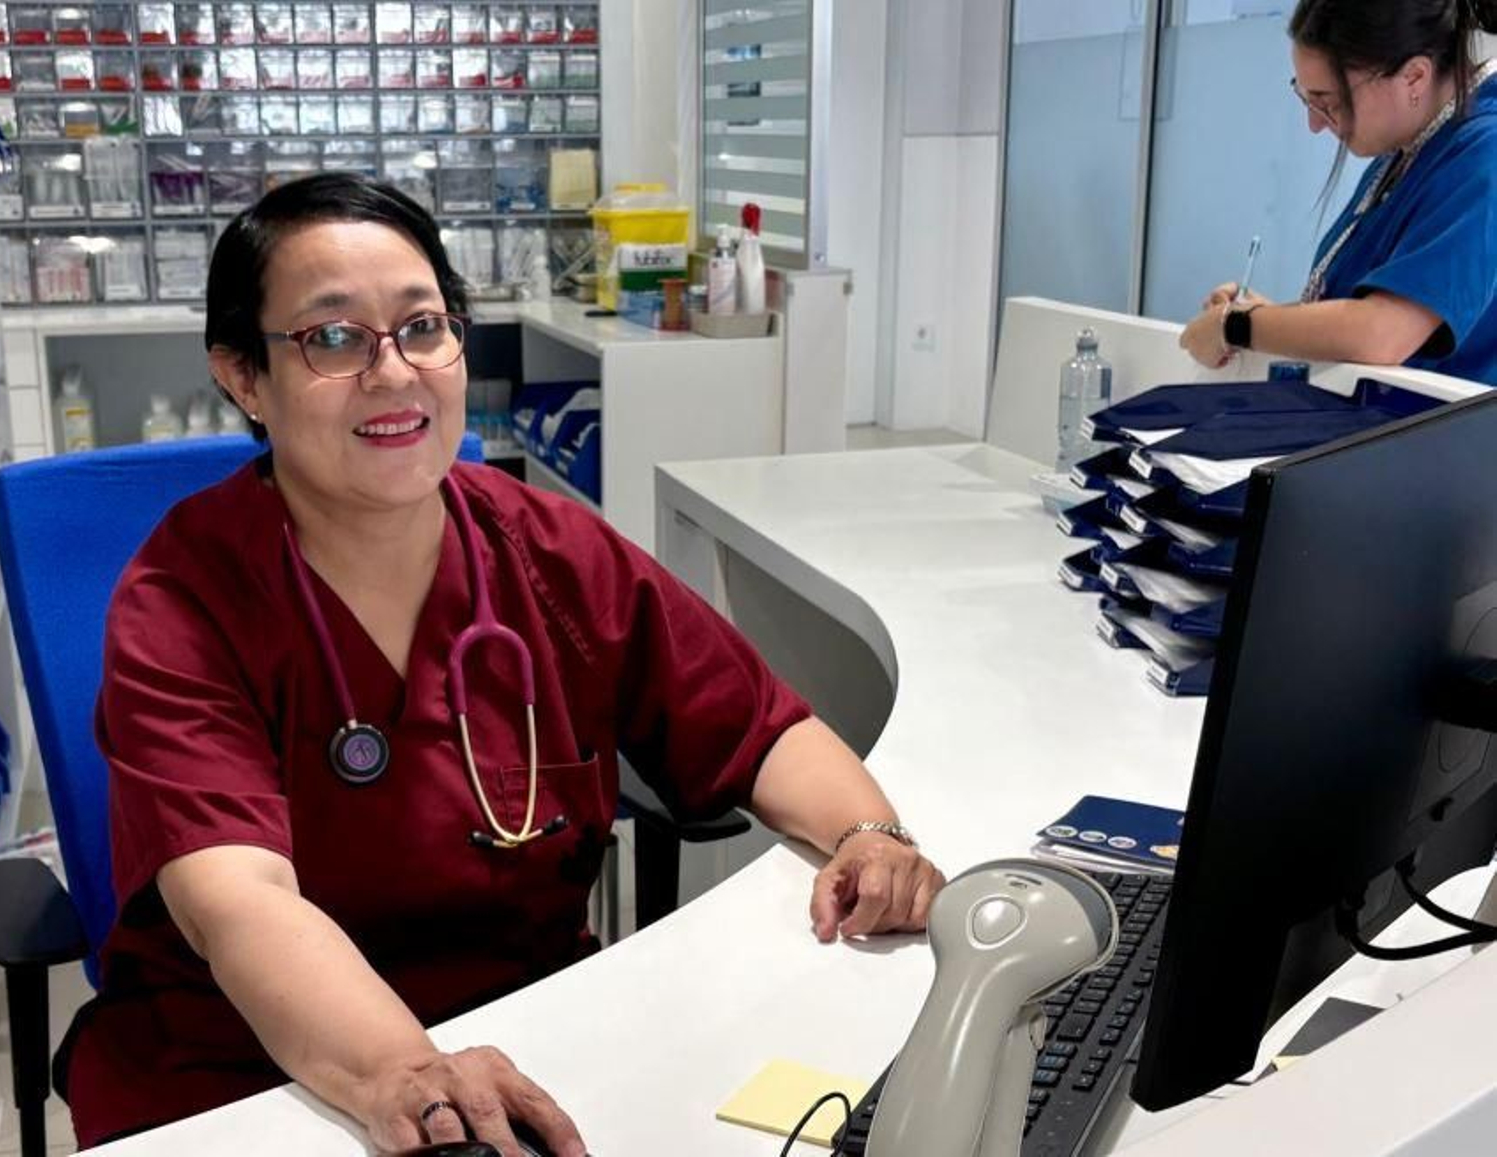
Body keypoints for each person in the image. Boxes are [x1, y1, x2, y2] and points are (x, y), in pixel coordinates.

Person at [55, 173, 945, 1156]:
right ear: (242, 376)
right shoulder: (185, 597)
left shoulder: (548, 548)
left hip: (534, 1031)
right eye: (333, 337)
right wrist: (409, 1072)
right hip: (247, 1072)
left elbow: (754, 724)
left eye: (422, 325)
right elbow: (240, 902)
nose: (393, 372)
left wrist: (867, 831)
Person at [1180, 0, 1497, 386]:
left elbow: (1384, 333)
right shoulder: (1408, 152)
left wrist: (1238, 325)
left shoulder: (1484, 154)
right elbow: (1365, 314)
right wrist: (1271, 318)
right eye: (1307, 98)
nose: (1314, 124)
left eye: (1326, 102)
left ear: (1414, 77)